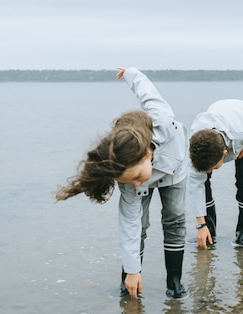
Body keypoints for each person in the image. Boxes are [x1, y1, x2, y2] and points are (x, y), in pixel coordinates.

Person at [54, 67, 189, 299]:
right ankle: (129, 281)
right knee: (140, 226)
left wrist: (131, 73)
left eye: (135, 177)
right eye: (128, 181)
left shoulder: (163, 121)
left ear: (146, 154)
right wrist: (132, 270)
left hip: (174, 171)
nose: (135, 184)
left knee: (175, 219)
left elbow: (147, 92)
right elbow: (129, 224)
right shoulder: (129, 177)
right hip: (149, 170)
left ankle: (174, 282)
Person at [188, 99, 243, 248]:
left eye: (214, 168)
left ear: (224, 153)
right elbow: (195, 186)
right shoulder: (195, 144)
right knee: (203, 181)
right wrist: (200, 225)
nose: (210, 171)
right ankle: (209, 231)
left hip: (240, 123)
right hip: (216, 120)